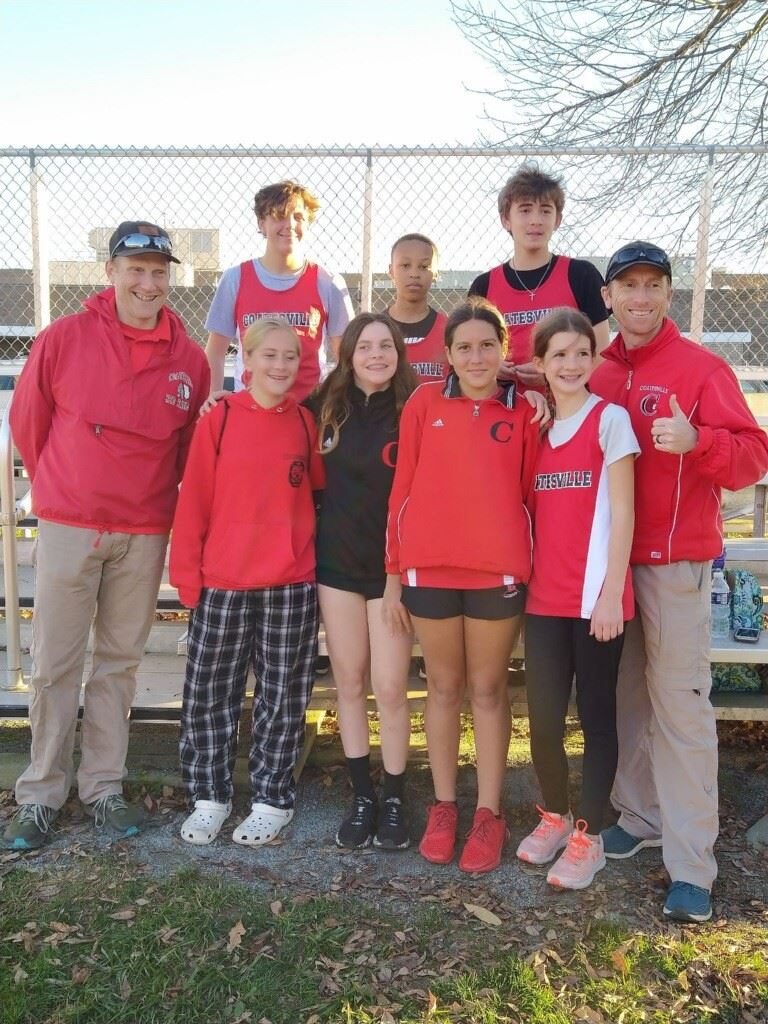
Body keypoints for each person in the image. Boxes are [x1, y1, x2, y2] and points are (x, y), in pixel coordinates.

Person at [2, 222, 210, 850]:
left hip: (143, 529)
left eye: (158, 271)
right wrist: (63, 492)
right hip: (72, 525)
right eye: (136, 269)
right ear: (111, 273)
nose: (148, 283)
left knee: (119, 665)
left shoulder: (190, 358)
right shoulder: (65, 338)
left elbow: (185, 454)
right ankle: (41, 793)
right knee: (56, 662)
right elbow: (30, 422)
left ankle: (103, 787)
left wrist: (160, 511)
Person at [590, 241, 768, 922]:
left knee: (681, 711)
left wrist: (702, 445)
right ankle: (641, 816)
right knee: (629, 698)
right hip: (611, 570)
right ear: (607, 296)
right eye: (627, 286)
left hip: (677, 566)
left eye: (652, 286)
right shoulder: (599, 370)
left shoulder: (700, 368)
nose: (639, 298)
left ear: (668, 294)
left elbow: (753, 455)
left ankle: (692, 865)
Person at [385, 296, 542, 873]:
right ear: (447, 354)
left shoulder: (525, 411)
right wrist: (394, 576)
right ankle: (446, 806)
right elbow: (401, 491)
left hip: (497, 572)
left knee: (488, 690)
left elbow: (529, 494)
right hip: (429, 570)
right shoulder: (425, 403)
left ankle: (489, 812)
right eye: (464, 347)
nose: (476, 357)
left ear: (504, 350)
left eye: (486, 345)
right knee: (444, 689)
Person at [170, 317, 324, 847]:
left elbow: (314, 496)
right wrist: (189, 579)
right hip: (224, 580)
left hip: (290, 581)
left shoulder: (305, 423)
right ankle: (209, 796)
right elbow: (195, 504)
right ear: (247, 361)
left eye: (290, 357)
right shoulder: (220, 419)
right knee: (211, 693)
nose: (280, 366)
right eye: (270, 356)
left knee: (282, 696)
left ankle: (270, 799)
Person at [516, 309, 639, 890]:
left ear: (595, 359)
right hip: (543, 601)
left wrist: (612, 592)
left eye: (581, 353)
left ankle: (589, 835)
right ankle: (555, 816)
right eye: (558, 354)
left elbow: (624, 515)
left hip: (596, 601)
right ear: (539, 365)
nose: (570, 363)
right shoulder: (535, 429)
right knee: (542, 718)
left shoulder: (609, 420)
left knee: (595, 716)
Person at [307, 313, 418, 850]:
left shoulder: (416, 408)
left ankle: (395, 796)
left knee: (391, 687)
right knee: (349, 682)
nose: (376, 355)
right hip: (336, 568)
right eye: (365, 346)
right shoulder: (325, 407)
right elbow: (267, 405)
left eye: (386, 346)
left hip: (391, 571)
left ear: (398, 352)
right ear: (349, 354)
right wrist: (220, 400)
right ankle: (361, 796)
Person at [204, 180, 354, 403]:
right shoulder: (235, 278)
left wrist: (335, 401)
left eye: (298, 217)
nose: (290, 225)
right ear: (261, 223)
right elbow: (215, 352)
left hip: (307, 409)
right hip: (251, 408)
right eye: (279, 216)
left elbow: (347, 355)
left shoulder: (327, 281)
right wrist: (214, 400)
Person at [469, 163, 609, 389]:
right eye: (525, 210)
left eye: (545, 210)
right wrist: (493, 367)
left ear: (557, 220)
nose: (536, 220)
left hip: (567, 405)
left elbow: (601, 355)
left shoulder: (581, 275)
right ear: (506, 219)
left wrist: (552, 374)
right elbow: (470, 354)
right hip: (506, 407)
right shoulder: (484, 286)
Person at [386, 233, 448, 382]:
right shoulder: (374, 330)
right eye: (405, 266)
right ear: (391, 271)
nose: (414, 274)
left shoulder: (449, 330)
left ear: (436, 273)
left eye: (424, 266)